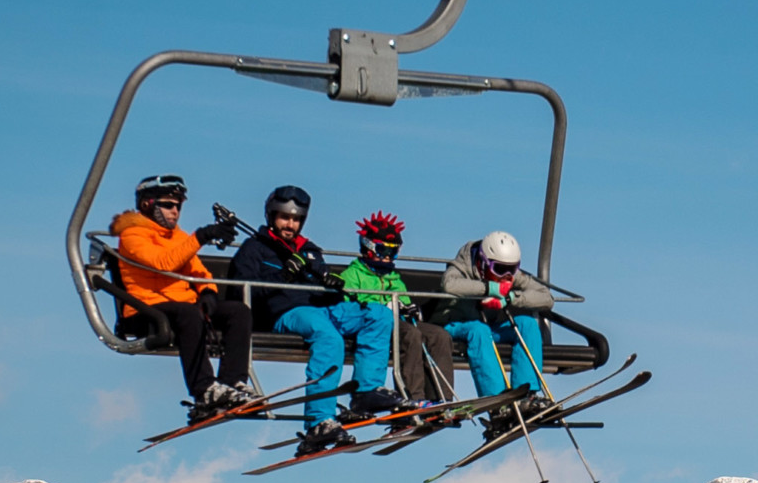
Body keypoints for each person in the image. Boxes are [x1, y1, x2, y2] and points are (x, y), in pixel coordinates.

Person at [229, 186, 401, 453]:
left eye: (296, 219)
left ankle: (366, 390)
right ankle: (320, 419)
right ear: (272, 216)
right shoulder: (255, 249)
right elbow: (241, 289)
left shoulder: (308, 250)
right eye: (284, 218)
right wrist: (283, 276)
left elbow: (322, 276)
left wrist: (330, 282)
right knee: (328, 337)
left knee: (378, 314)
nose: (290, 224)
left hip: (323, 306)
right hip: (286, 311)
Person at [113, 174, 251, 422]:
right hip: (146, 310)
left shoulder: (178, 237)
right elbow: (162, 264)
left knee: (237, 311)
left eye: (178, 205)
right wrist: (202, 236)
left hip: (181, 307)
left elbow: (199, 272)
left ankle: (232, 383)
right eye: (168, 205)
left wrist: (208, 292)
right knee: (188, 314)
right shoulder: (132, 234)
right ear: (147, 204)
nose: (175, 211)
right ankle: (204, 389)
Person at [435, 229, 554, 435]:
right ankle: (498, 402)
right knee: (479, 330)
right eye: (499, 269)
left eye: (512, 269)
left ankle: (526, 395)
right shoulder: (463, 265)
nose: (506, 276)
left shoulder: (507, 276)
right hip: (454, 325)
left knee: (526, 324)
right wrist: (489, 289)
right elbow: (449, 283)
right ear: (483, 262)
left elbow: (546, 298)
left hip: (487, 328)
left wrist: (511, 298)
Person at [337, 212, 456, 405]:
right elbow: (350, 305)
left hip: (398, 321)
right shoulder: (353, 275)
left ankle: (441, 399)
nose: (387, 257)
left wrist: (408, 308)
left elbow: (405, 302)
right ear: (368, 247)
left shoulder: (394, 277)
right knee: (410, 335)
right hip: (374, 324)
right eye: (383, 250)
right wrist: (384, 305)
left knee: (438, 335)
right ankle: (412, 398)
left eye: (393, 252)